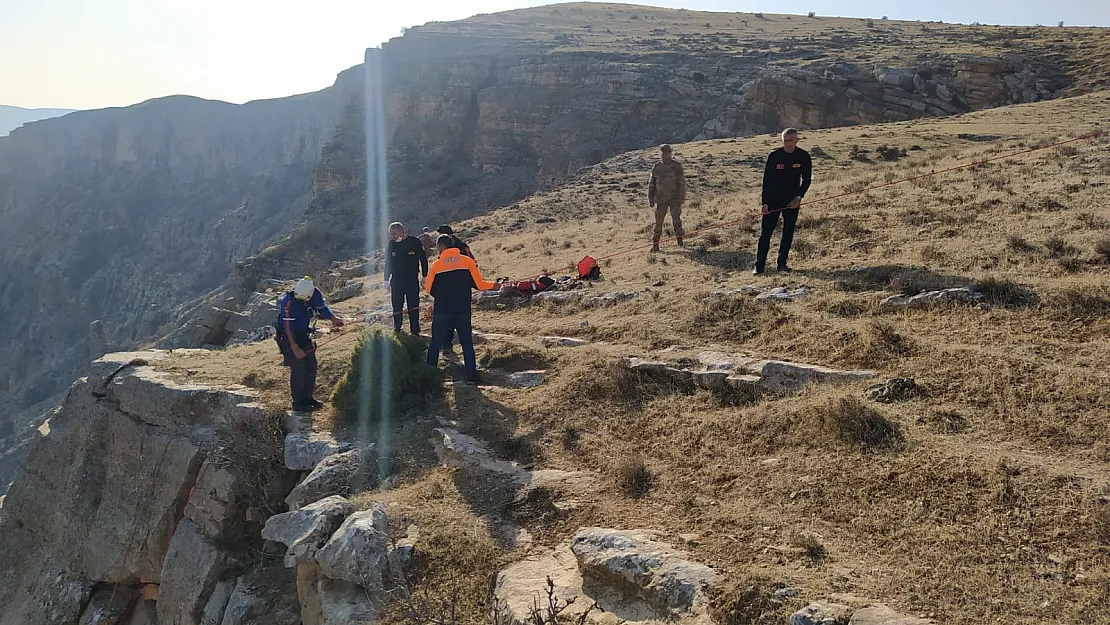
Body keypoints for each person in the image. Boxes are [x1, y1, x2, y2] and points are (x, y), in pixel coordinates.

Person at [425, 235, 495, 384]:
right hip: (462, 309)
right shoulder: (467, 261)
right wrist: (495, 285)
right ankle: (471, 376)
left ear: (442, 247)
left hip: (443, 310)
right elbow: (480, 285)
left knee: (436, 342)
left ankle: (429, 376)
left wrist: (441, 296)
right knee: (466, 343)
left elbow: (428, 288)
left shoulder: (437, 266)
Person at [276, 277, 344, 412]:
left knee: (311, 365)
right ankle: (297, 402)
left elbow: (322, 308)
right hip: (289, 337)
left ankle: (308, 398)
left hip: (304, 335)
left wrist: (333, 319)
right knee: (299, 368)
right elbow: (288, 327)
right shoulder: (288, 303)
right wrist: (294, 347)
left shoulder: (314, 293)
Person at [754, 128, 812, 275]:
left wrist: (798, 198)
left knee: (788, 232)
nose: (787, 143)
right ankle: (759, 267)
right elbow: (767, 180)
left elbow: (806, 180)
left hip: (792, 201)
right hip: (773, 201)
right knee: (765, 234)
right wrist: (764, 202)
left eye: (790, 140)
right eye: (785, 140)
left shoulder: (803, 156)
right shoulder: (774, 156)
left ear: (796, 140)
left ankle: (782, 264)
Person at [384, 222, 429, 334]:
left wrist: (424, 276)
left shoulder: (414, 242)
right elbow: (388, 263)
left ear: (401, 231)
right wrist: (386, 279)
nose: (393, 236)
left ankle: (415, 330)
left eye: (394, 233)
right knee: (397, 305)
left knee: (413, 305)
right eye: (391, 234)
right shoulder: (391, 245)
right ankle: (398, 329)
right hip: (396, 280)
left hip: (411, 279)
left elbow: (423, 259)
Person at [648, 144, 687, 253]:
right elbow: (652, 184)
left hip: (674, 199)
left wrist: (681, 198)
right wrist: (650, 198)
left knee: (677, 221)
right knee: (658, 223)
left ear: (671, 153)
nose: (665, 155)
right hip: (661, 199)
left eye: (668, 153)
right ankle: (655, 245)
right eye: (663, 153)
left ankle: (680, 241)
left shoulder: (677, 166)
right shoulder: (657, 167)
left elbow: (681, 183)